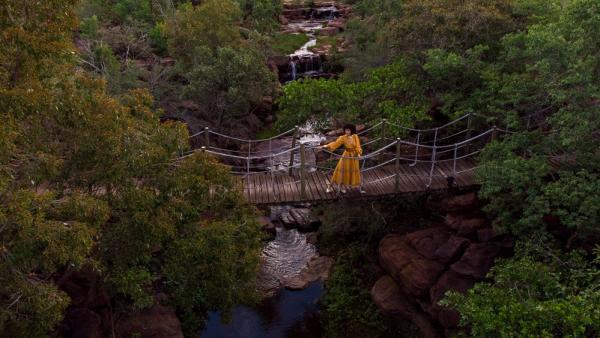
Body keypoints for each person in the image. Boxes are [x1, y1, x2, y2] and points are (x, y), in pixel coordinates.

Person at [317, 124, 364, 193]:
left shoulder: (355, 136)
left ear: (352, 130)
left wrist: (359, 154)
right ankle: (330, 186)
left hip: (354, 156)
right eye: (346, 130)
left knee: (352, 171)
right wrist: (325, 146)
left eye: (348, 130)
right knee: (339, 170)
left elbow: (358, 146)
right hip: (346, 155)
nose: (347, 132)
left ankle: (343, 186)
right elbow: (336, 143)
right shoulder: (343, 137)